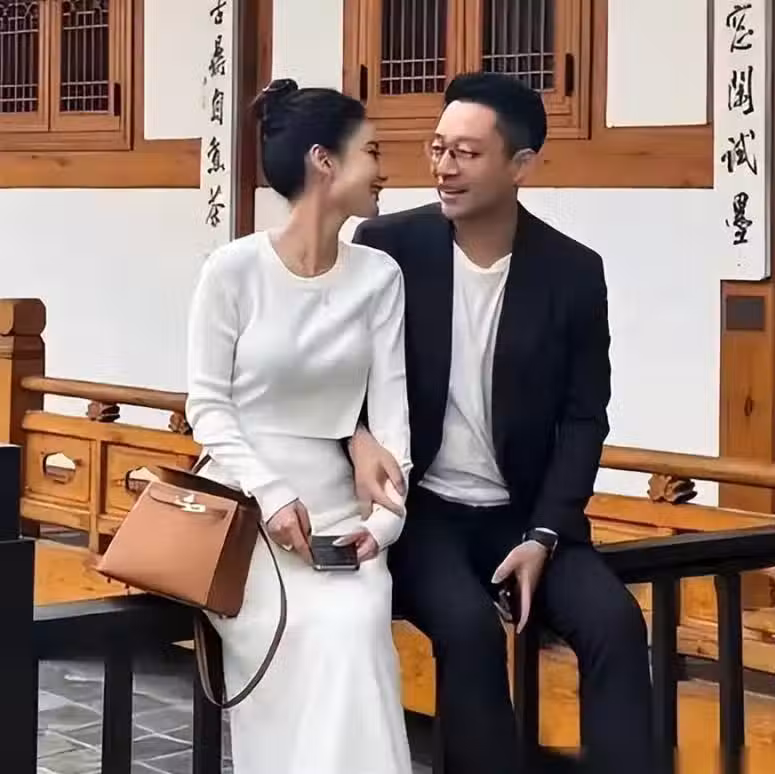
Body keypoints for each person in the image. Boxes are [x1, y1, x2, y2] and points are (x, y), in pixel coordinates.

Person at [348, 72, 654, 774]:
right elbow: (340, 372)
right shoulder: (389, 246)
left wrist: (544, 536)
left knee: (614, 622)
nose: (444, 167)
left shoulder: (572, 271)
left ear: (521, 164)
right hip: (424, 511)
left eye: (466, 152)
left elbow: (584, 417)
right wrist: (356, 436)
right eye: (438, 148)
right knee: (468, 629)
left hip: (525, 515)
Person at [185, 78, 414, 774]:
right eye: (372, 152)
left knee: (355, 628)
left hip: (340, 517)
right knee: (307, 639)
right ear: (324, 161)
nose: (383, 169)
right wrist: (272, 492)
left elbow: (391, 419)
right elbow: (207, 407)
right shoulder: (232, 271)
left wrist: (384, 526)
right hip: (246, 514)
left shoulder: (379, 277)